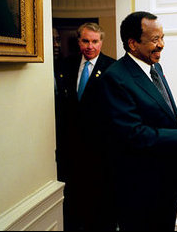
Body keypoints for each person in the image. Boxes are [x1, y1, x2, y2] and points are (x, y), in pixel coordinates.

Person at [97, 11, 177, 231]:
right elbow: (133, 134)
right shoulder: (115, 78)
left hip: (166, 184)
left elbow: (160, 115)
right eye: (155, 39)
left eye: (162, 37)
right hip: (140, 189)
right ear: (133, 44)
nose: (162, 45)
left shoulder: (155, 67)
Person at [54, 22, 116, 231]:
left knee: (100, 205)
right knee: (74, 202)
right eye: (86, 41)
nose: (90, 46)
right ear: (79, 41)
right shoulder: (65, 65)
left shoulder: (113, 68)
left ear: (101, 42)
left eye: (95, 41)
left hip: (101, 151)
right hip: (71, 150)